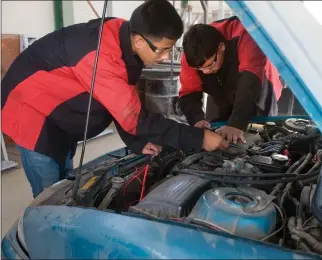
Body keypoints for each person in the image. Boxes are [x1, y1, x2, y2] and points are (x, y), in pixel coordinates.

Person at [1, 0, 227, 198]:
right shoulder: (103, 57)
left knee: (64, 184)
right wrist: (198, 138)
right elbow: (135, 118)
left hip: (59, 117)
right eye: (162, 50)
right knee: (50, 196)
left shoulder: (123, 35)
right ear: (140, 41)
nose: (166, 57)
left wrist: (136, 142)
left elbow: (121, 100)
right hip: (31, 113)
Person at [179, 16, 283, 144]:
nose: (205, 72)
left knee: (263, 136)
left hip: (258, 85)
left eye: (209, 65)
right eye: (200, 69)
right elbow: (189, 92)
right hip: (220, 91)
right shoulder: (192, 55)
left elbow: (250, 81)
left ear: (221, 47)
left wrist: (236, 124)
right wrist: (197, 120)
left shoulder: (245, 33)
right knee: (215, 132)